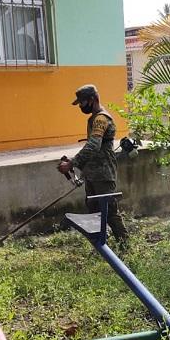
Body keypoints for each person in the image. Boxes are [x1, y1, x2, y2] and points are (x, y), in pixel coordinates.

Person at [58, 84, 129, 241]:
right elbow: (93, 148)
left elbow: (93, 145)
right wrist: (78, 164)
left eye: (82, 103)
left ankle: (126, 247)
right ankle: (101, 245)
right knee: (94, 213)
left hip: (103, 175)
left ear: (92, 99)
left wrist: (71, 164)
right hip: (92, 174)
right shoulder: (94, 119)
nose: (81, 106)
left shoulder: (101, 119)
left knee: (110, 212)